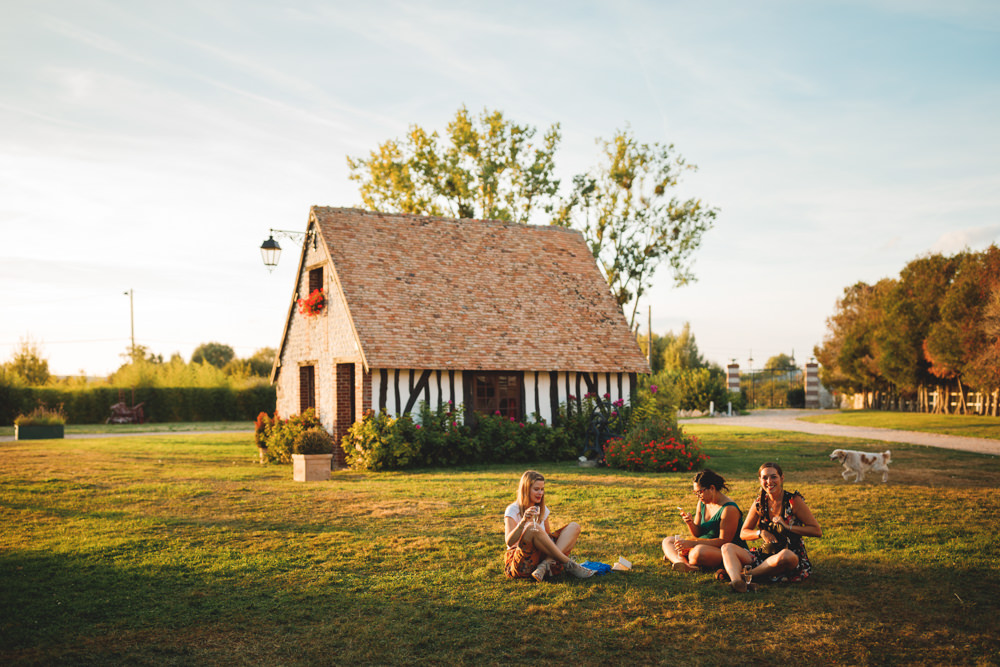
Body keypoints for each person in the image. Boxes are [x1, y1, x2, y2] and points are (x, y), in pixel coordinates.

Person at [720, 461, 823, 592]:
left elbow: (816, 531)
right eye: (765, 478)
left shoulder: (793, 501)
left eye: (773, 477)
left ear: (782, 478)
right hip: (765, 554)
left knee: (786, 556)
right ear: (759, 480)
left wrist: (787, 527)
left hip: (789, 556)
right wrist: (760, 533)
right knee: (727, 547)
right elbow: (743, 533)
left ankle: (745, 576)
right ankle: (736, 582)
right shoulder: (759, 502)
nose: (769, 481)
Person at [503, 470, 595, 582]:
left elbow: (547, 538)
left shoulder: (542, 509)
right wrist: (523, 522)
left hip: (541, 559)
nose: (540, 493)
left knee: (574, 526)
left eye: (542, 489)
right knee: (532, 527)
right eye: (536, 489)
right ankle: (569, 564)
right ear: (525, 490)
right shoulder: (513, 510)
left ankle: (545, 564)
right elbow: (509, 542)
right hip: (522, 562)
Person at [662, 469, 747, 573]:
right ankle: (683, 563)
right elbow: (698, 533)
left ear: (712, 488)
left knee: (697, 553)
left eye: (700, 492)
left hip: (726, 551)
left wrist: (692, 544)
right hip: (702, 545)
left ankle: (678, 557)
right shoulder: (702, 503)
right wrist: (690, 523)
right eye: (695, 493)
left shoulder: (729, 509)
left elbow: (724, 541)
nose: (698, 496)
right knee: (668, 541)